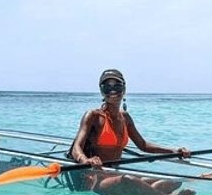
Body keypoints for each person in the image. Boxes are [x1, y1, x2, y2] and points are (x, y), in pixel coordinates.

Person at [67, 69, 196, 195]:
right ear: (102, 91)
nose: (112, 91)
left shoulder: (125, 118)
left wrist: (173, 151)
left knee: (174, 181)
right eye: (107, 87)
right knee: (129, 180)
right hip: (97, 179)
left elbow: (143, 145)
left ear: (124, 90)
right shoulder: (93, 116)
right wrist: (85, 160)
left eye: (117, 87)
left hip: (116, 175)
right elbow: (76, 147)